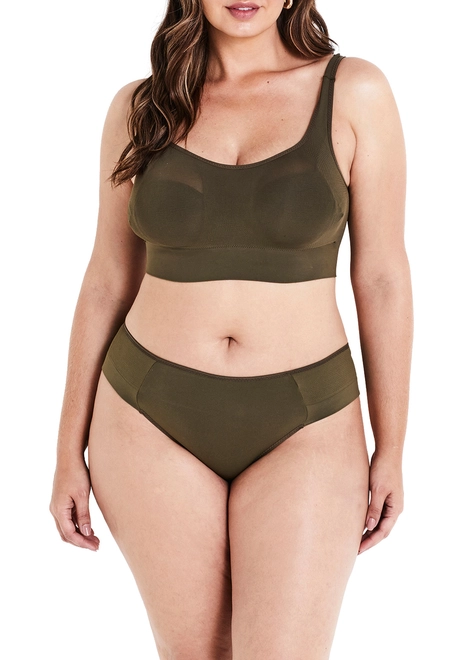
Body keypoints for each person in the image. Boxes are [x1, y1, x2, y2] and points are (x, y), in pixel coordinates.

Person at [49, 0, 413, 657]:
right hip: (147, 416)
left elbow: (382, 277)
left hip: (306, 419)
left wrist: (392, 446)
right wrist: (65, 453)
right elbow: (106, 278)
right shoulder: (140, 107)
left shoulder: (355, 91)